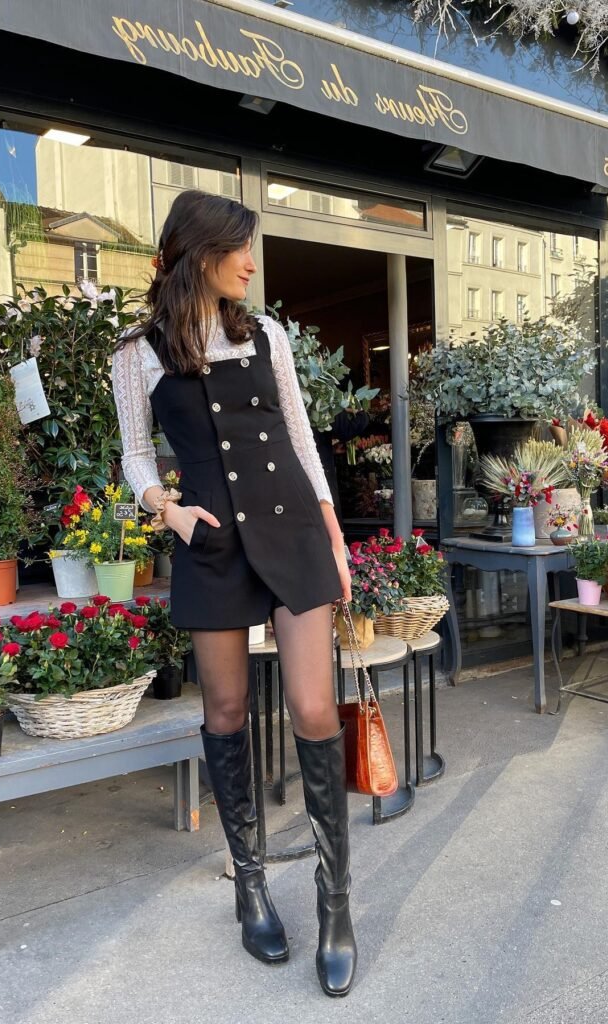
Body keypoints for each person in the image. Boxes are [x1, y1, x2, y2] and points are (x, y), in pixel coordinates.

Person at [111, 190, 356, 998]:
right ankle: (250, 884)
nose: (252, 263)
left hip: (290, 531)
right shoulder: (137, 352)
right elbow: (136, 458)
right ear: (199, 251)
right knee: (223, 712)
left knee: (315, 710)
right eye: (241, 248)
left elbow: (298, 437)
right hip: (210, 544)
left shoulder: (268, 336)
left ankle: (333, 902)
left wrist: (331, 535)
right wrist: (167, 511)